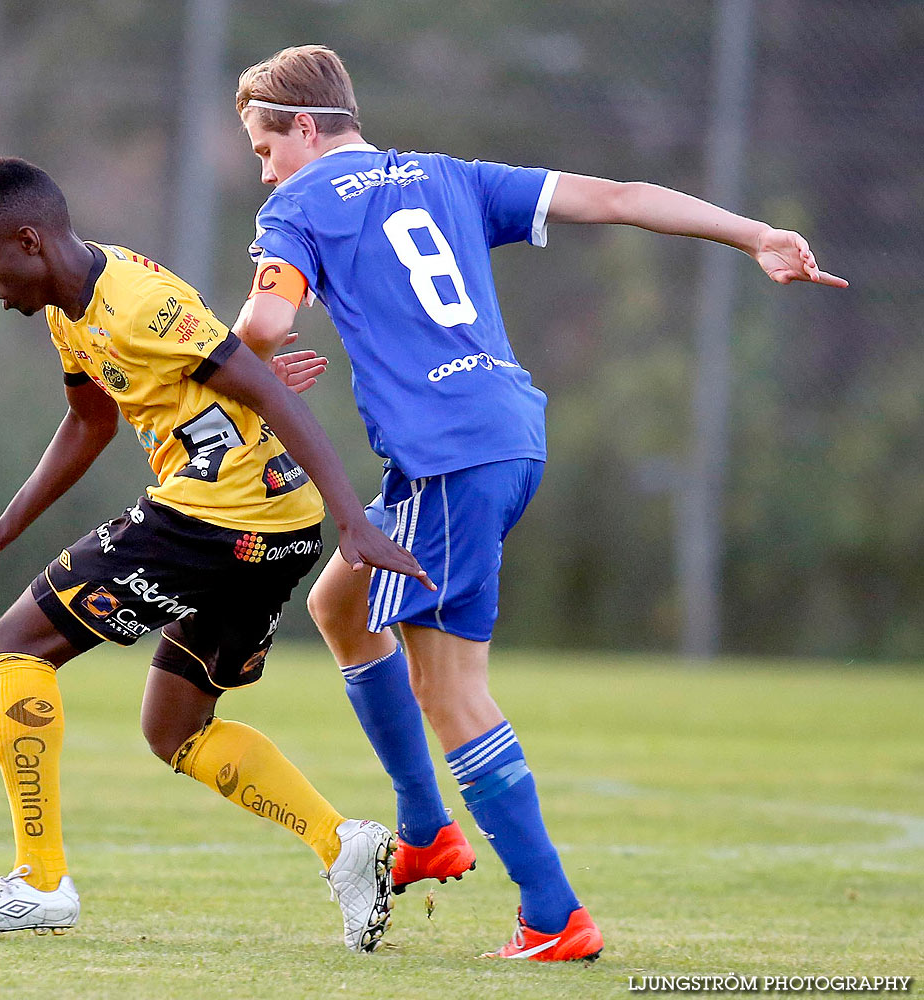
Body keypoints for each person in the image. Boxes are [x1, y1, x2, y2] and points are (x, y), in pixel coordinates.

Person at [230, 44, 847, 962]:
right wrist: (756, 234)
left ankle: (554, 916)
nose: (263, 164)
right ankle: (427, 831)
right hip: (508, 427)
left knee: (451, 689)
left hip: (446, 453)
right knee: (341, 604)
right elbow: (627, 196)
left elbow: (267, 326)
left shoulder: (298, 203)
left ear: (305, 127)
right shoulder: (453, 177)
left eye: (262, 144)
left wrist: (243, 363)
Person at [0, 157, 433, 951]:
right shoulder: (71, 304)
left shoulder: (140, 303)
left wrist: (354, 521)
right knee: (177, 729)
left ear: (29, 241)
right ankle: (344, 846)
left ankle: (39, 881)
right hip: (273, 528)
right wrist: (3, 528)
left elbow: (265, 392)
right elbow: (89, 422)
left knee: (13, 647)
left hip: (216, 515)